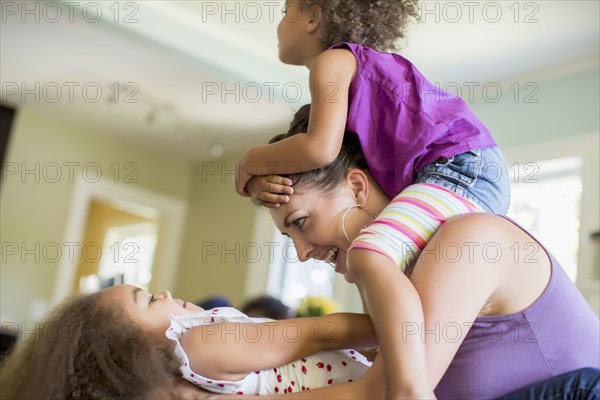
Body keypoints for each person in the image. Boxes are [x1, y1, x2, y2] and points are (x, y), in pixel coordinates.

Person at [236, 1, 511, 395]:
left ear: (313, 15)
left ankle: (409, 391)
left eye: (285, 11)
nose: (299, 252)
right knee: (380, 266)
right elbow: (317, 162)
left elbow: (320, 150)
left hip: (462, 166)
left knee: (370, 254)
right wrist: (264, 180)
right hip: (469, 169)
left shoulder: (333, 62)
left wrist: (249, 162)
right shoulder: (355, 80)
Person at [264, 112, 600, 398]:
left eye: (301, 222)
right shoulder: (397, 281)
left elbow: (379, 393)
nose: (302, 252)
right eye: (288, 235)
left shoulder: (471, 239)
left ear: (356, 187)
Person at [0, 283, 386, 399]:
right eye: (150, 300)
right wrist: (395, 329)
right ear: (139, 352)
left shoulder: (190, 368)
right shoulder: (205, 344)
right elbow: (319, 331)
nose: (165, 292)